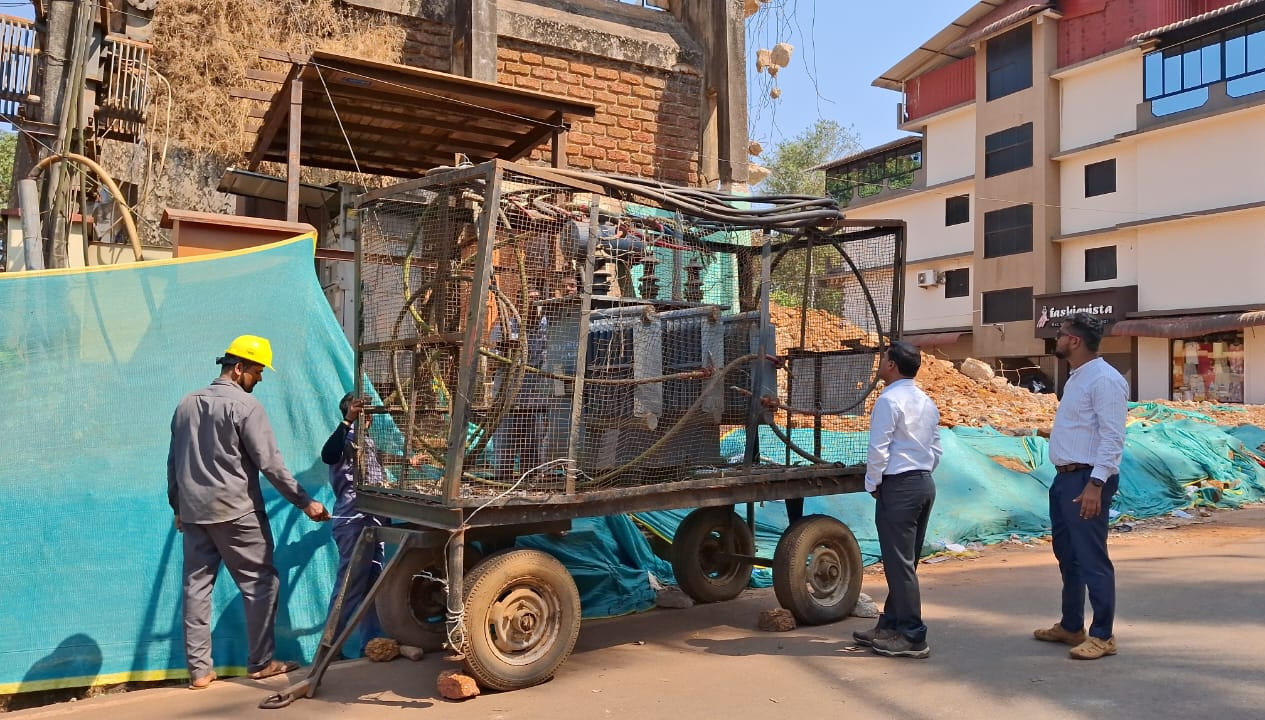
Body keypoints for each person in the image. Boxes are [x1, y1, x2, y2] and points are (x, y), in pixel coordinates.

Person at [167, 335, 329, 690]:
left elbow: (174, 462)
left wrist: (178, 507)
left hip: (195, 514)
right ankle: (260, 663)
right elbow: (270, 463)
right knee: (260, 585)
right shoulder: (245, 407)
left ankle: (200, 672)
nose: (260, 379)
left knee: (196, 590)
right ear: (238, 368)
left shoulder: (186, 404)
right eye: (257, 372)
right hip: (237, 514)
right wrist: (306, 502)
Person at [1035, 312, 1127, 660]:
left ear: (1074, 340)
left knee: (1092, 558)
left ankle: (1103, 635)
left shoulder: (1104, 380)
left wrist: (1096, 484)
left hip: (1087, 480)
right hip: (1066, 478)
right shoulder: (1077, 378)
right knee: (1068, 556)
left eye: (1060, 333)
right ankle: (1071, 626)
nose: (1056, 339)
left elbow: (1112, 437)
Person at [853, 341, 942, 659]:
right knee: (905, 562)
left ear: (892, 365)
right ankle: (889, 625)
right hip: (923, 484)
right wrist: (919, 472)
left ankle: (913, 635)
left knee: (899, 563)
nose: (880, 363)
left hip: (900, 487)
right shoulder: (925, 401)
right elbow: (936, 449)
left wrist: (874, 483)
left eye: (883, 358)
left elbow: (879, 449)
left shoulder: (889, 401)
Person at [321, 393, 388, 657]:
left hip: (374, 517)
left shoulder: (367, 442)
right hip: (353, 519)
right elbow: (328, 454)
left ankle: (370, 644)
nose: (369, 417)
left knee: (373, 583)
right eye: (364, 411)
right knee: (350, 583)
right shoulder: (346, 439)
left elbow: (380, 461)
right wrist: (348, 420)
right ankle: (330, 648)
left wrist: (410, 461)